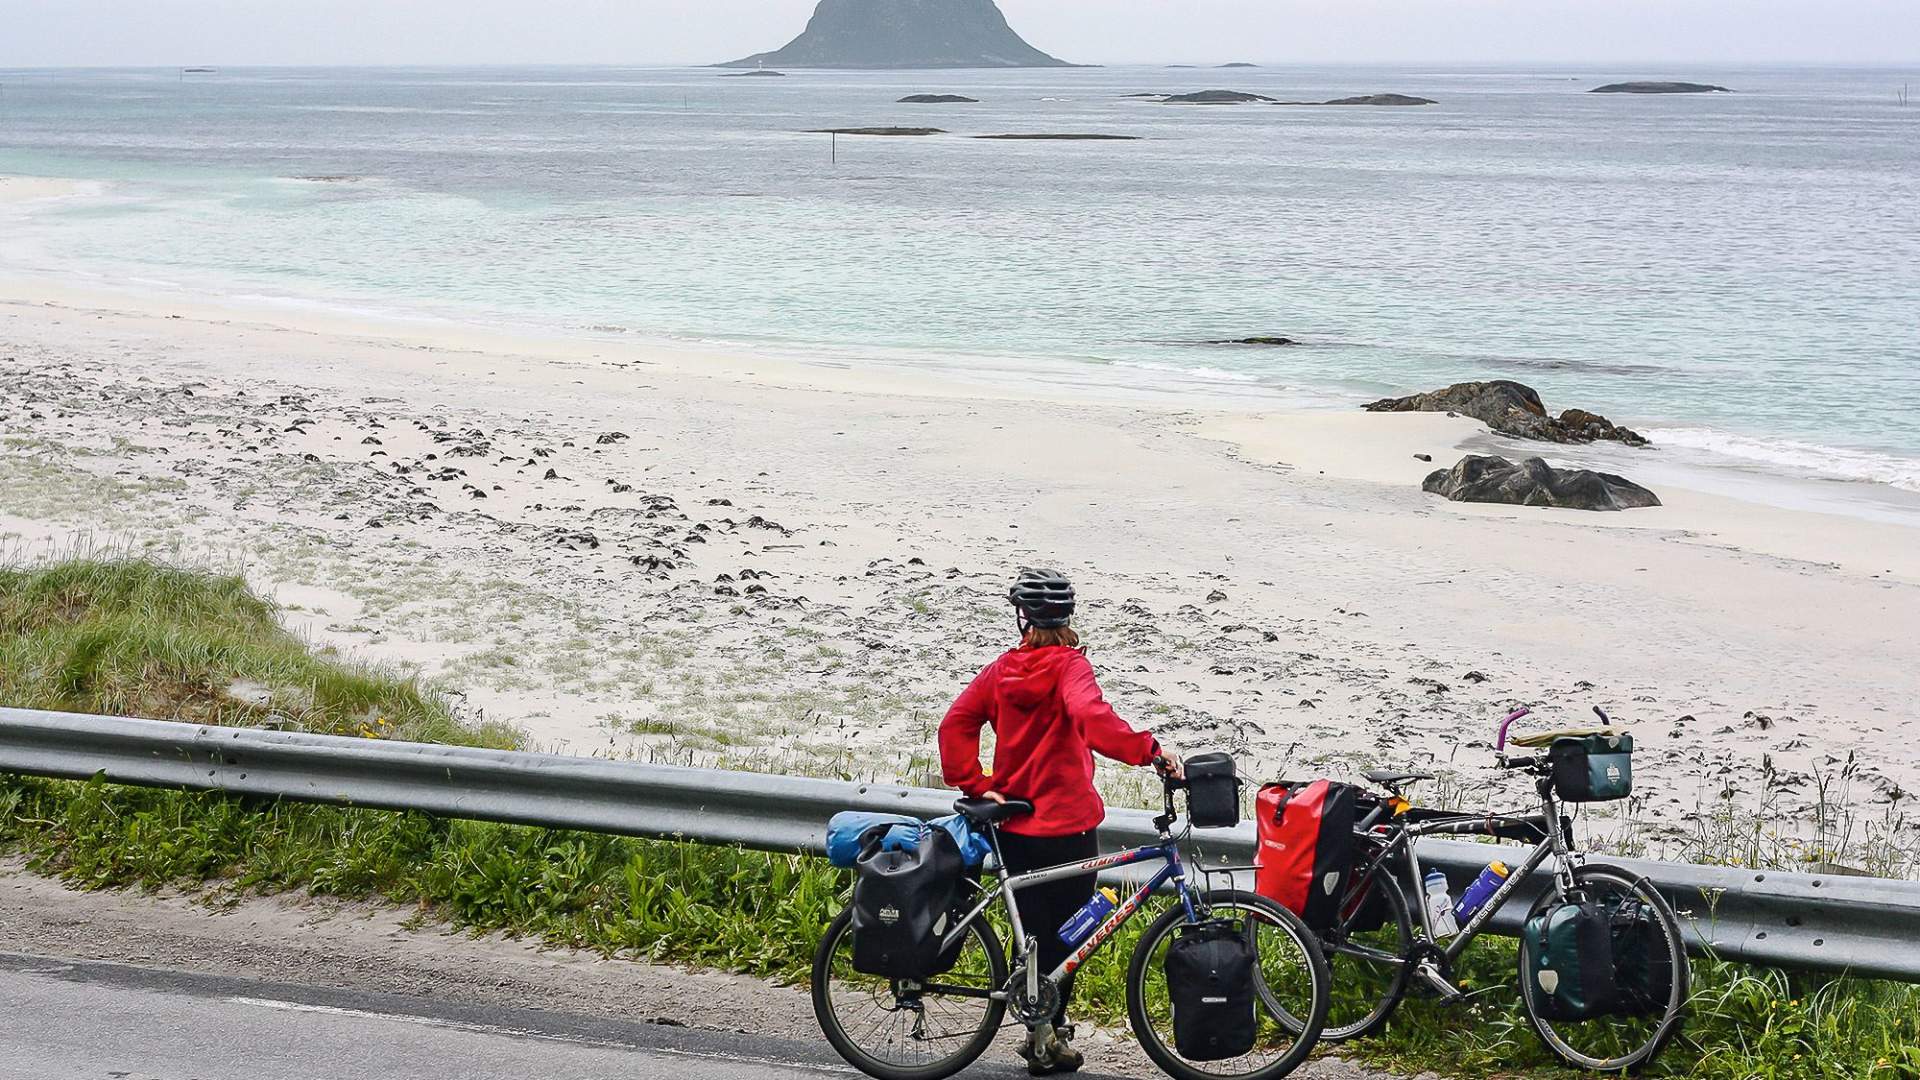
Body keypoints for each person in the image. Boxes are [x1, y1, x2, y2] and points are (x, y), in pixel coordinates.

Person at [938, 568, 1182, 1076]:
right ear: (1068, 615)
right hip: (1068, 826)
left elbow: (955, 723)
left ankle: (1041, 1034)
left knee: (1033, 935)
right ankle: (1045, 1035)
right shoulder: (1070, 667)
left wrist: (975, 782)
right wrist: (1149, 751)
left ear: (1021, 616)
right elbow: (1093, 721)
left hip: (1015, 824)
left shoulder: (1001, 670)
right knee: (1069, 939)